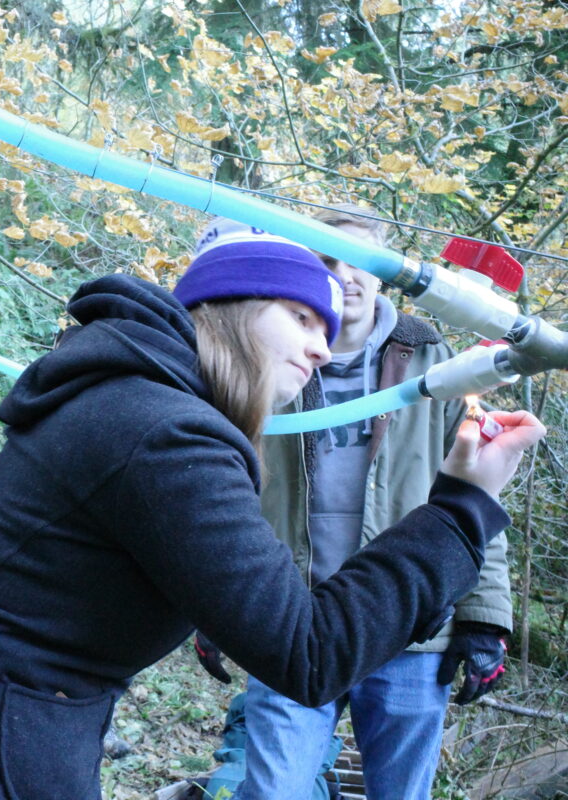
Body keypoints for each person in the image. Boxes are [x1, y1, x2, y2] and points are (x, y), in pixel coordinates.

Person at [0, 219, 544, 800]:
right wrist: (461, 507)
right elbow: (310, 652)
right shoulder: (166, 432)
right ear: (232, 308)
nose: (323, 348)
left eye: (327, 327)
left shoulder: (140, 395)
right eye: (301, 317)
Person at [191, 207, 512, 800]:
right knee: (272, 791)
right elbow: (225, 490)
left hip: (411, 630)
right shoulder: (265, 359)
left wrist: (485, 618)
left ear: (386, 272)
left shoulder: (433, 358)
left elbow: (474, 489)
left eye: (362, 261)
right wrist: (213, 605)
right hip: (291, 621)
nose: (346, 276)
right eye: (327, 262)